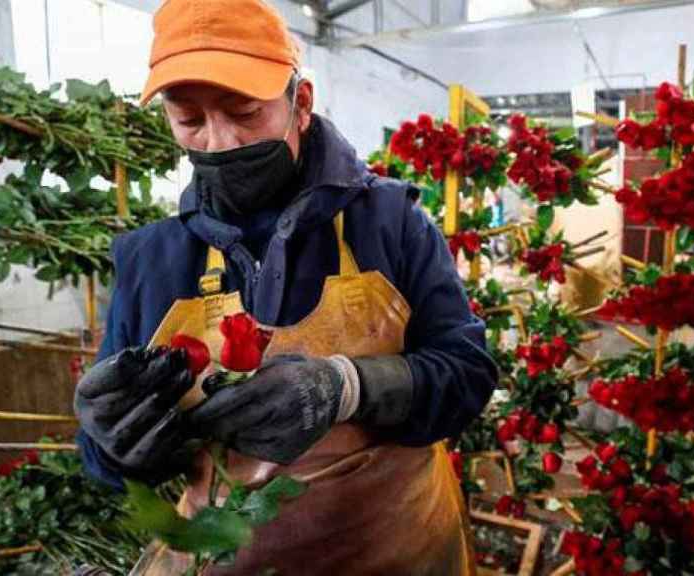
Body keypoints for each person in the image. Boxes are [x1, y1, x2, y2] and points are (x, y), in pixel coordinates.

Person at [72, 0, 497, 574]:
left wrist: (348, 387)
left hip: (400, 549)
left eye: (244, 110)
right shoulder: (154, 259)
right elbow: (110, 457)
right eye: (188, 119)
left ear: (301, 104)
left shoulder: (390, 223)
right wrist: (111, 443)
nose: (218, 142)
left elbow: (467, 376)